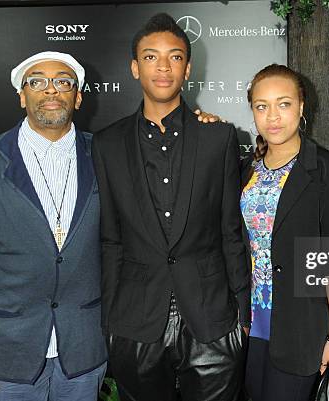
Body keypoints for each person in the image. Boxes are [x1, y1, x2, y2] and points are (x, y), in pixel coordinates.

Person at [92, 13, 249, 401]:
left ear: (188, 67)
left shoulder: (219, 136)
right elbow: (110, 239)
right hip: (135, 320)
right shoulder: (107, 144)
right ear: (134, 67)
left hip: (211, 318)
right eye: (150, 57)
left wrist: (243, 314)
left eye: (174, 57)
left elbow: (231, 231)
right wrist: (109, 319)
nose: (163, 66)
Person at [0, 51, 107, 401]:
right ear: (22, 95)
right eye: (37, 81)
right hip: (10, 346)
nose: (50, 90)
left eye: (63, 82)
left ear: (79, 96)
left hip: (84, 345)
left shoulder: (104, 155)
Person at [241, 64, 329, 401]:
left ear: (302, 107)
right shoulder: (245, 168)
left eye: (284, 104)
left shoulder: (327, 170)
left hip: (303, 327)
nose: (272, 116)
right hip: (250, 325)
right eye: (262, 106)